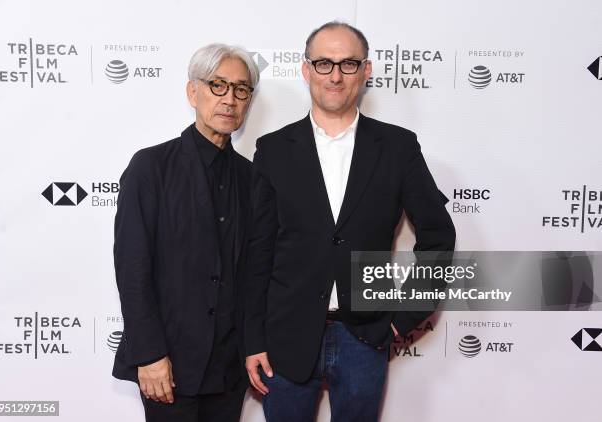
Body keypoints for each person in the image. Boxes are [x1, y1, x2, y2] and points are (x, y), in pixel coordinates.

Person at [244, 22, 455, 421]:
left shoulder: (398, 147)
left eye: (348, 63)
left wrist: (402, 319)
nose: (335, 75)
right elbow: (258, 253)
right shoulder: (272, 150)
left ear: (366, 71)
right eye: (324, 63)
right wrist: (254, 339)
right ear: (306, 71)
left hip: (365, 337)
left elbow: (438, 236)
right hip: (285, 337)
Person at [112, 43, 259, 422]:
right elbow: (132, 268)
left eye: (241, 89)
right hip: (169, 368)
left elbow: (256, 273)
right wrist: (149, 355)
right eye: (218, 85)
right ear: (193, 91)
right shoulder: (151, 168)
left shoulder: (252, 179)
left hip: (228, 369)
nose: (230, 99)